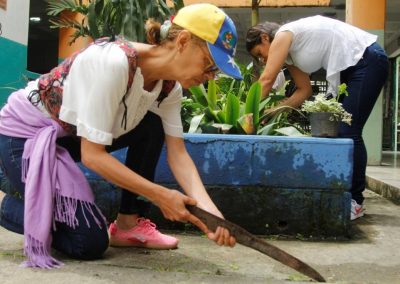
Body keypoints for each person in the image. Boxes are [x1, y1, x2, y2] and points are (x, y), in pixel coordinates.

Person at [0, 3, 242, 268]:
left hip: (69, 137)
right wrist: (160, 195)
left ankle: (128, 223)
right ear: (183, 41)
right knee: (88, 242)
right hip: (24, 137)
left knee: (151, 126)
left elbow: (178, 154)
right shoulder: (115, 63)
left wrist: (210, 213)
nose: (208, 77)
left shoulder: (169, 89)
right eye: (208, 65)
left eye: (215, 71)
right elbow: (93, 156)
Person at [246, 15, 389, 220]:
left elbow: (267, 80)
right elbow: (303, 91)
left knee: (348, 131)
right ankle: (342, 193)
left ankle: (355, 202)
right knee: (332, 130)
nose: (262, 60)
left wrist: (248, 114)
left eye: (260, 54)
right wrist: (273, 111)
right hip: (350, 69)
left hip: (368, 60)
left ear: (264, 38)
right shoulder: (290, 56)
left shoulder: (283, 35)